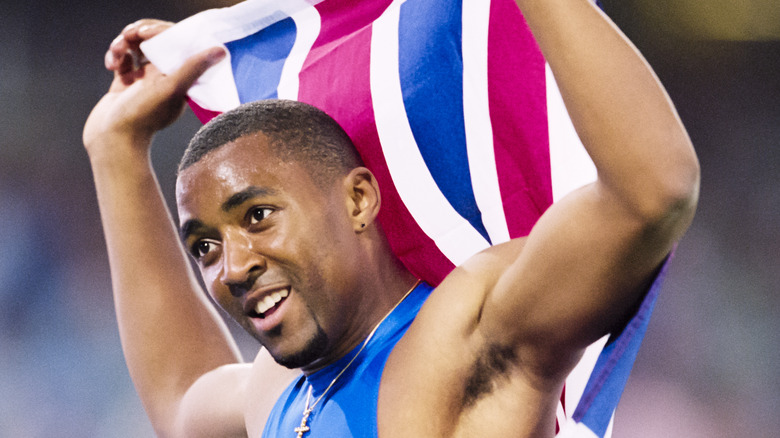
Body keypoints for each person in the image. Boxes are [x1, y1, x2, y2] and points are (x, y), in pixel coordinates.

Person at [83, 1, 699, 437]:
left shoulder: (465, 336)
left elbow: (650, 195)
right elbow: (181, 399)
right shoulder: (280, 391)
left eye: (259, 215)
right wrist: (114, 153)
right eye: (207, 247)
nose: (234, 266)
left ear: (358, 200)